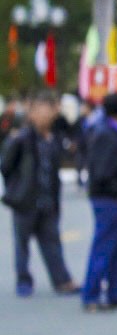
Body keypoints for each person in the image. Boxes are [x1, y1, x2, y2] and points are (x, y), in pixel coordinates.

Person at [1, 90, 78, 297]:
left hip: (47, 200)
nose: (46, 116)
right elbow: (6, 166)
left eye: (49, 111)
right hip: (26, 200)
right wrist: (16, 188)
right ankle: (24, 280)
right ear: (32, 113)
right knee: (22, 245)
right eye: (41, 111)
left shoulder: (54, 139)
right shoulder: (22, 139)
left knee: (52, 242)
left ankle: (62, 280)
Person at [81, 91, 117, 312]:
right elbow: (103, 171)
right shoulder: (104, 134)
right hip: (109, 197)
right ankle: (91, 295)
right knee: (104, 246)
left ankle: (116, 291)